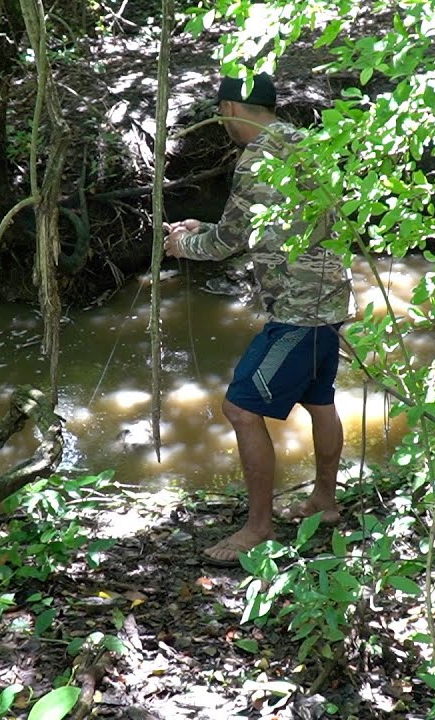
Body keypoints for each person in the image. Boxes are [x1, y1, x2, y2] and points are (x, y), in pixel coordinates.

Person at [164, 72, 354, 566]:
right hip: (330, 302)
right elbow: (260, 226)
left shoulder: (256, 160)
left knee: (241, 410)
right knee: (319, 399)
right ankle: (325, 503)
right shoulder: (310, 144)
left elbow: (227, 242)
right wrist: (203, 227)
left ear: (229, 107)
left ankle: (258, 528)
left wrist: (183, 244)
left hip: (296, 313)